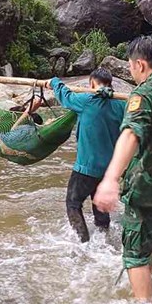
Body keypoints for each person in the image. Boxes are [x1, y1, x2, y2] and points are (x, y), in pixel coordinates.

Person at [93, 36, 152, 302]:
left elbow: (130, 134)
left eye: (131, 66)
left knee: (134, 254)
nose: (132, 71)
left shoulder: (144, 93)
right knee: (149, 242)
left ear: (140, 64)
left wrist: (110, 179)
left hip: (149, 187)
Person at [45, 68, 126, 242]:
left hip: (86, 167)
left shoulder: (87, 100)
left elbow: (65, 97)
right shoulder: (121, 105)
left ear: (91, 83)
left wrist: (54, 81)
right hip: (109, 170)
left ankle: (83, 242)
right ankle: (104, 236)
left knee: (73, 204)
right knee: (100, 203)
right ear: (110, 84)